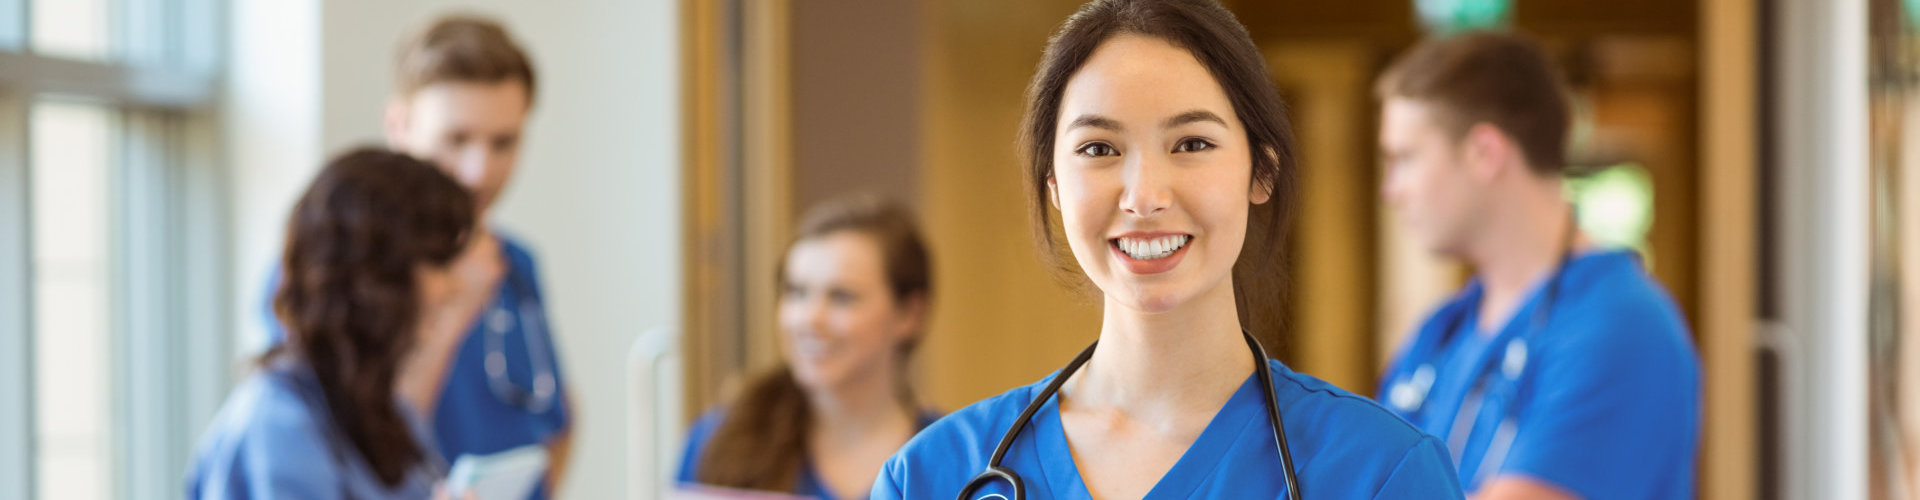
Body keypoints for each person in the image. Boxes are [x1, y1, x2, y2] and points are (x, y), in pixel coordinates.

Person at [874, 1, 1465, 498]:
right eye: (1099, 149)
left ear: (1261, 172)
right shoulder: (932, 478)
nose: (1145, 196)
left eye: (1192, 142)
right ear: (1052, 183)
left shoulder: (1382, 473)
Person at [256, 15, 574, 498]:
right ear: (399, 125)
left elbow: (555, 418)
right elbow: (338, 433)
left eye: (503, 142)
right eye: (457, 139)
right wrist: (454, 312)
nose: (478, 172)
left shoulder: (516, 268)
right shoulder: (325, 278)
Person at [1373, 31, 1701, 499]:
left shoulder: (1621, 325)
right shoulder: (1442, 333)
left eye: (1404, 158)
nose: (1391, 190)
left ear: (1485, 153)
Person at [189, 148, 475, 499]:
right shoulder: (280, 424)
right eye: (438, 264)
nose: (454, 288)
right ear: (380, 276)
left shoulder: (391, 416)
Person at [677, 194, 939, 500]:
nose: (809, 320)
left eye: (842, 296)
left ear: (910, 314)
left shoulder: (949, 456)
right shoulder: (716, 442)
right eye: (797, 292)